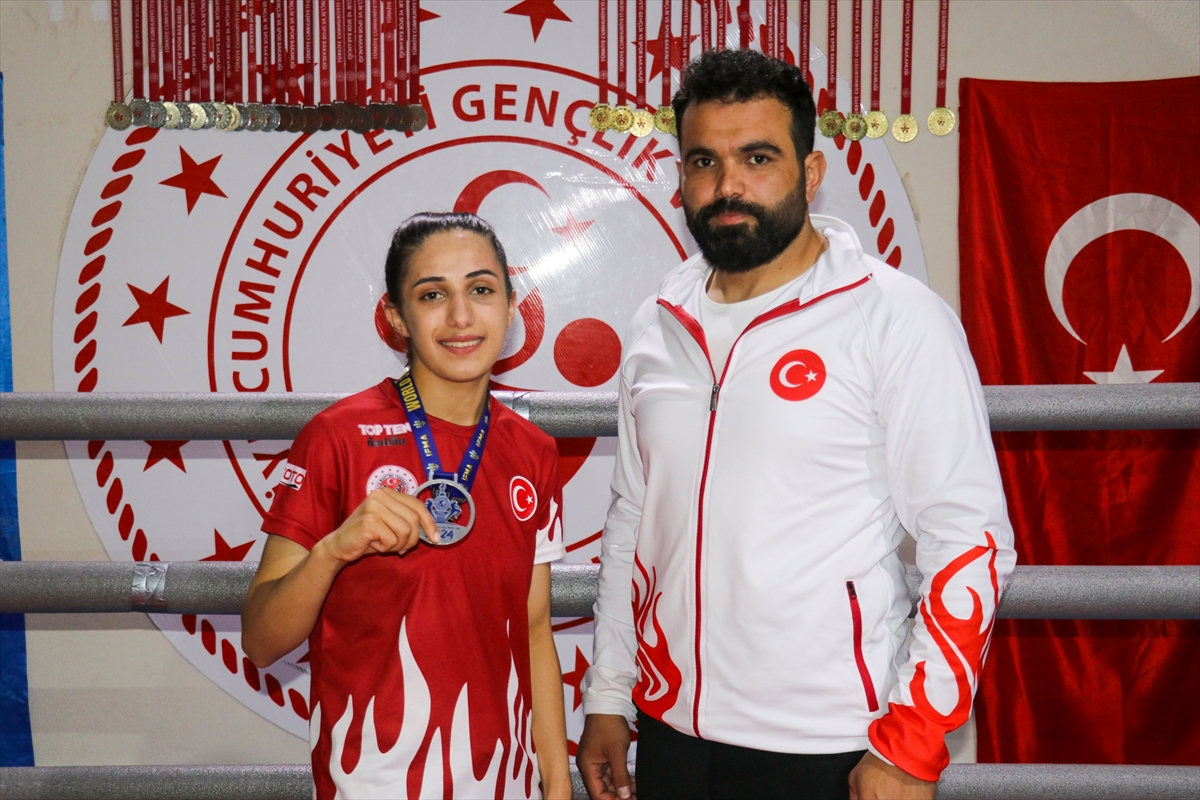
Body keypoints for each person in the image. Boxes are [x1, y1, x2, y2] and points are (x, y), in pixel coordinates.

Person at [576, 48, 1016, 800]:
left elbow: (969, 541)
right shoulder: (657, 324)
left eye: (758, 158)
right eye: (704, 162)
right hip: (672, 731)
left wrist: (911, 744)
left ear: (811, 173)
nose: (728, 186)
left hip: (831, 745)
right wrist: (610, 695)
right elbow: (632, 524)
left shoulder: (897, 319)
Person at [241, 212, 572, 800]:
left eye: (481, 290)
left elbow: (533, 630)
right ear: (397, 317)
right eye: (432, 295)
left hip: (505, 784)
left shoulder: (534, 451)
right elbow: (262, 640)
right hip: (373, 783)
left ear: (510, 308)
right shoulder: (337, 436)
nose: (461, 316)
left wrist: (557, 785)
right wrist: (333, 551)